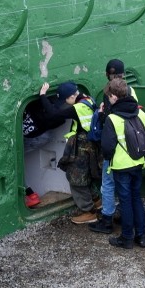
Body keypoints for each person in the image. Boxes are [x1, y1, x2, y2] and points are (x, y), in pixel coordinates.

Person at [41, 81, 101, 224]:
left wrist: (43, 95)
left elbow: (53, 114)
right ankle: (97, 202)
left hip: (83, 148)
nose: (66, 104)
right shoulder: (88, 99)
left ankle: (88, 212)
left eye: (65, 100)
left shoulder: (77, 108)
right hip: (92, 146)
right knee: (87, 176)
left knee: (76, 179)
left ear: (71, 96)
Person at [100, 78, 145, 249]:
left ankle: (127, 237)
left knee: (125, 201)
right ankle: (142, 236)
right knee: (137, 198)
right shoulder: (141, 114)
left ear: (114, 96)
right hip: (138, 163)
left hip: (121, 166)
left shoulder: (112, 119)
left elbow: (107, 147)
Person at [90, 59, 137, 234]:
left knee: (108, 184)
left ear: (106, 74)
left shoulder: (109, 93)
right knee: (128, 187)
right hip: (132, 147)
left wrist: (101, 115)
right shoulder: (131, 91)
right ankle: (127, 217)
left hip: (116, 149)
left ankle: (107, 220)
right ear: (124, 74)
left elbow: (109, 122)